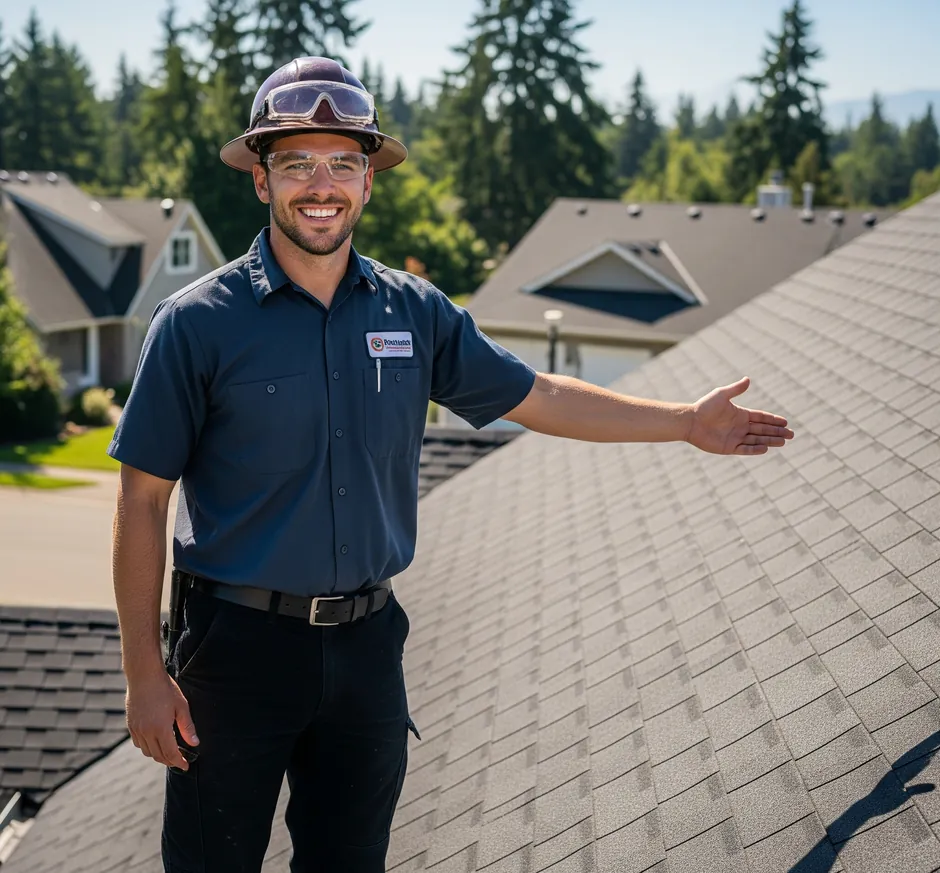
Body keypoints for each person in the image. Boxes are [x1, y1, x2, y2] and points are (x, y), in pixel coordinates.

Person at [109, 57, 794, 873]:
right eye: (295, 163)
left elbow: (537, 394)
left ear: (369, 181)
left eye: (341, 163)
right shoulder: (194, 325)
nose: (319, 184)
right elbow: (142, 501)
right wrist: (145, 675)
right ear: (261, 180)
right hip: (234, 654)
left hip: (366, 650)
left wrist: (683, 423)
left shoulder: (415, 312)